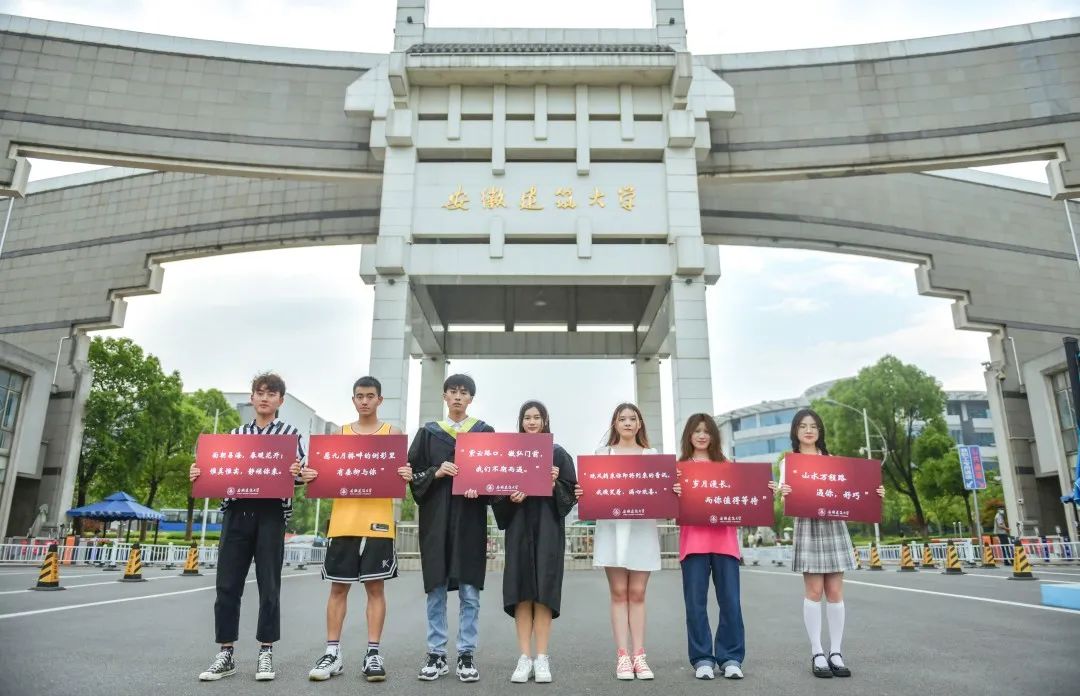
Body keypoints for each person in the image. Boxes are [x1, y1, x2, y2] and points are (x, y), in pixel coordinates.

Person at [190, 372, 315, 682]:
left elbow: (300, 475)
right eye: (259, 392)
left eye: (271, 394)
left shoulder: (290, 435)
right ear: (251, 397)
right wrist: (199, 472)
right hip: (237, 509)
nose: (264, 398)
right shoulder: (236, 434)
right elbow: (217, 471)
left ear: (280, 401)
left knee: (269, 584)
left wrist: (300, 473)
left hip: (272, 512)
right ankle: (226, 652)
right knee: (227, 584)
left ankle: (265, 651)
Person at [306, 376, 413, 683]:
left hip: (378, 525)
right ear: (353, 400)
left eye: (370, 396)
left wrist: (405, 473)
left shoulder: (392, 435)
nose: (364, 401)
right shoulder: (339, 435)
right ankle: (332, 653)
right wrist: (312, 474)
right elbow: (321, 477)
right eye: (359, 396)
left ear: (380, 400)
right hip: (343, 522)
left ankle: (373, 652)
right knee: (338, 588)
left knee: (375, 589)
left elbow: (401, 475)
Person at [768, 408, 885, 679]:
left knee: (835, 591)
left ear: (820, 432)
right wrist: (782, 493)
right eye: (803, 426)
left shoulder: (832, 460)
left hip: (833, 523)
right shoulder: (790, 462)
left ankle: (836, 652)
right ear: (795, 431)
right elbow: (786, 500)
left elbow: (853, 491)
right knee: (813, 591)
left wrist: (874, 492)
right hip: (807, 525)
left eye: (814, 426)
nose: (809, 430)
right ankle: (817, 652)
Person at [408, 374, 495, 682]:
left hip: (470, 520)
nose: (458, 397)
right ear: (445, 396)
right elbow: (412, 477)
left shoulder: (484, 432)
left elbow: (494, 478)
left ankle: (467, 654)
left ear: (471, 399)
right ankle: (436, 653)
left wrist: (480, 488)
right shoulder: (428, 433)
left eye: (464, 392)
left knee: (470, 589)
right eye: (453, 392)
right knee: (437, 587)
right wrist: (437, 471)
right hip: (436, 520)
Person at [491, 401, 577, 684]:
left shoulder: (558, 454)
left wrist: (554, 485)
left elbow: (570, 496)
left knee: (543, 592)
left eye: (536, 417)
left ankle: (542, 657)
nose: (531, 422)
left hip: (548, 529)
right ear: (520, 421)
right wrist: (509, 497)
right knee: (521, 591)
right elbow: (497, 493)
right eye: (526, 417)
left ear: (545, 420)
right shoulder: (509, 453)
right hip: (518, 528)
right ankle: (523, 657)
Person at [576, 402, 660, 680]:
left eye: (632, 419)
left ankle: (640, 655)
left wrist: (671, 489)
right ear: (615, 423)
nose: (627, 423)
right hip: (612, 528)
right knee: (618, 593)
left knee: (638, 593)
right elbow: (591, 490)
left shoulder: (652, 455)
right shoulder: (602, 455)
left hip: (642, 528)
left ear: (639, 424)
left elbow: (660, 490)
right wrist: (582, 490)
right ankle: (623, 655)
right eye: (622, 418)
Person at [671, 414, 745, 680]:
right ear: (688, 435)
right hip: (693, 543)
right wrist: (673, 494)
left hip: (725, 542)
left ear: (714, 435)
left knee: (731, 603)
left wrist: (763, 489)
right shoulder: (678, 469)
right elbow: (668, 508)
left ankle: (731, 657)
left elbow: (745, 500)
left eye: (707, 431)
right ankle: (702, 658)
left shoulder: (728, 466)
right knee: (695, 604)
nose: (702, 435)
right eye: (696, 431)